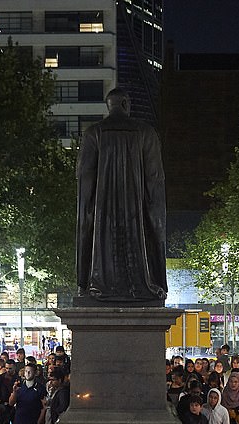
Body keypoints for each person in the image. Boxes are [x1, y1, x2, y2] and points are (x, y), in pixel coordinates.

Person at [76, 87, 167, 304]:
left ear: (109, 106)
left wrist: (88, 212)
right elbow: (155, 180)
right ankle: (142, 284)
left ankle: (93, 284)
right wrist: (156, 217)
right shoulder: (146, 133)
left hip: (103, 215)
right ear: (126, 104)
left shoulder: (93, 133)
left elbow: (84, 178)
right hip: (137, 215)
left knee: (100, 241)